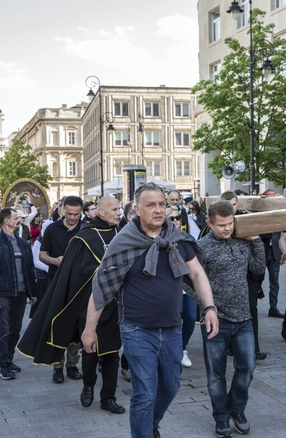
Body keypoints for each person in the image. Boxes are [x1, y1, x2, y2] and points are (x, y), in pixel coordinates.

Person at [82, 183, 219, 438]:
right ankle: (143, 432)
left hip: (172, 329)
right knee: (144, 391)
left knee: (170, 385)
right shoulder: (123, 242)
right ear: (135, 210)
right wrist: (90, 330)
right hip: (136, 329)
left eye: (161, 205)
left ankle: (150, 423)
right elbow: (101, 288)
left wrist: (209, 307)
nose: (158, 210)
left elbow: (198, 273)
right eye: (151, 205)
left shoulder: (177, 239)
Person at [18, 196, 126, 414]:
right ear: (101, 212)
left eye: (119, 208)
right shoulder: (84, 237)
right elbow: (74, 273)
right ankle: (88, 385)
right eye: (114, 209)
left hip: (116, 304)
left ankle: (108, 397)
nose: (118, 212)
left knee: (112, 353)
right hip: (90, 303)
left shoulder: (122, 234)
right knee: (90, 350)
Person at [195, 200, 265, 437]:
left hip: (244, 318)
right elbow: (190, 284)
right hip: (216, 321)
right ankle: (221, 417)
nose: (227, 229)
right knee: (216, 374)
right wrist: (207, 308)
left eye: (230, 223)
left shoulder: (242, 241)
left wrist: (256, 241)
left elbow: (258, 269)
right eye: (222, 225)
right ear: (210, 223)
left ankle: (237, 409)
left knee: (247, 366)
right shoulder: (201, 247)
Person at [0, 208, 37, 380]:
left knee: (15, 329)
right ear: (6, 221)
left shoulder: (23, 243)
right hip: (3, 293)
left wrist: (32, 293)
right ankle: (3, 363)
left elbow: (29, 270)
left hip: (21, 293)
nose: (18, 220)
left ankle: (9, 357)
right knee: (3, 330)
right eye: (15, 218)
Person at [40, 195, 84, 383]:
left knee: (75, 326)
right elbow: (42, 254)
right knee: (56, 324)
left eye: (76, 214)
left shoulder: (86, 228)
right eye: (69, 213)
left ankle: (72, 365)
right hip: (56, 283)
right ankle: (57, 366)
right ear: (62, 210)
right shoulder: (52, 228)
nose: (73, 217)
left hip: (79, 284)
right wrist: (54, 261)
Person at [220, 190, 268, 360]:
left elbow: (264, 238)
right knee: (230, 313)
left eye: (234, 205)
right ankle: (232, 346)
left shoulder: (245, 219)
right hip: (228, 278)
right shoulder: (217, 222)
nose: (231, 209)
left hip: (248, 275)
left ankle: (253, 348)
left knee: (251, 311)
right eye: (228, 205)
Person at [167, 206, 197, 369]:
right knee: (175, 319)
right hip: (169, 288)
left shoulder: (186, 238)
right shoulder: (158, 237)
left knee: (191, 317)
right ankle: (175, 349)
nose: (175, 221)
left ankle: (182, 347)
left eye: (177, 217)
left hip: (186, 286)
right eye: (171, 218)